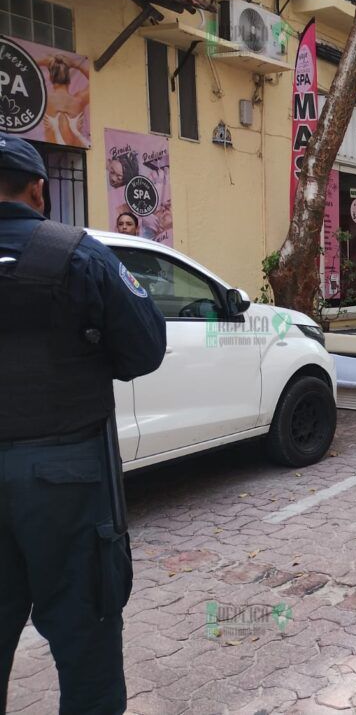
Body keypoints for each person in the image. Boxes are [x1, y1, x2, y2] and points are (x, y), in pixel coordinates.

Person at [0, 135, 166, 714]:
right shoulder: (81, 255)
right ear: (39, 190)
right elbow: (145, 349)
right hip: (67, 482)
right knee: (88, 658)